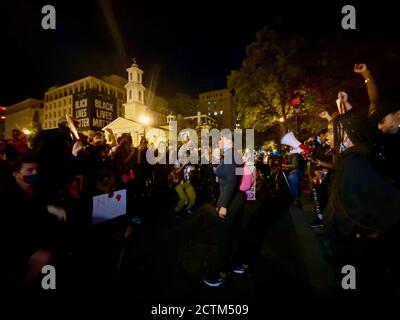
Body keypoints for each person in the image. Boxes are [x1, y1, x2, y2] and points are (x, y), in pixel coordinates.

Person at [323, 111, 400, 296]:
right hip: (352, 247)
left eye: (331, 131)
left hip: (354, 251)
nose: (327, 136)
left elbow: (387, 201)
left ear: (346, 134)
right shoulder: (352, 160)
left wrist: (360, 233)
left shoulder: (356, 163)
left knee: (352, 289)